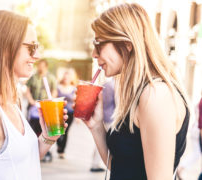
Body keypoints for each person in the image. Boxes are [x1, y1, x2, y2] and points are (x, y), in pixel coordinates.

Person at [79, 3, 190, 179]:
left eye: (98, 44)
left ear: (126, 44)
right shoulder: (140, 93)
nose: (94, 53)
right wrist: (96, 126)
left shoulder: (156, 95)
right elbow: (122, 167)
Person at [0, 11, 68, 179]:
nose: (36, 56)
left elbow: (20, 163)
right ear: (4, 48)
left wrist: (48, 137)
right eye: (31, 48)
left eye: (37, 48)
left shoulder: (13, 103)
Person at [26, 59, 57, 162]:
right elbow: (28, 90)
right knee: (33, 129)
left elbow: (54, 91)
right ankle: (34, 150)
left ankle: (47, 152)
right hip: (34, 107)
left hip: (46, 107)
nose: (40, 67)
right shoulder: (33, 77)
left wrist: (50, 101)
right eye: (39, 65)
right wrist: (31, 101)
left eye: (42, 66)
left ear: (46, 67)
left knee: (47, 129)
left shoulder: (51, 78)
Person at [90, 78, 115, 172]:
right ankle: (95, 164)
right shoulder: (110, 85)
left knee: (103, 140)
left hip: (110, 117)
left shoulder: (112, 84)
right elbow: (106, 103)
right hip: (110, 118)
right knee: (106, 141)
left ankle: (96, 163)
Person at [56, 69, 77, 159]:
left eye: (68, 77)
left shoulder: (74, 88)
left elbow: (76, 102)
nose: (66, 78)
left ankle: (62, 150)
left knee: (66, 131)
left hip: (70, 113)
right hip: (59, 112)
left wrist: (78, 117)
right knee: (58, 130)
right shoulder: (58, 87)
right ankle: (59, 144)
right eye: (65, 76)